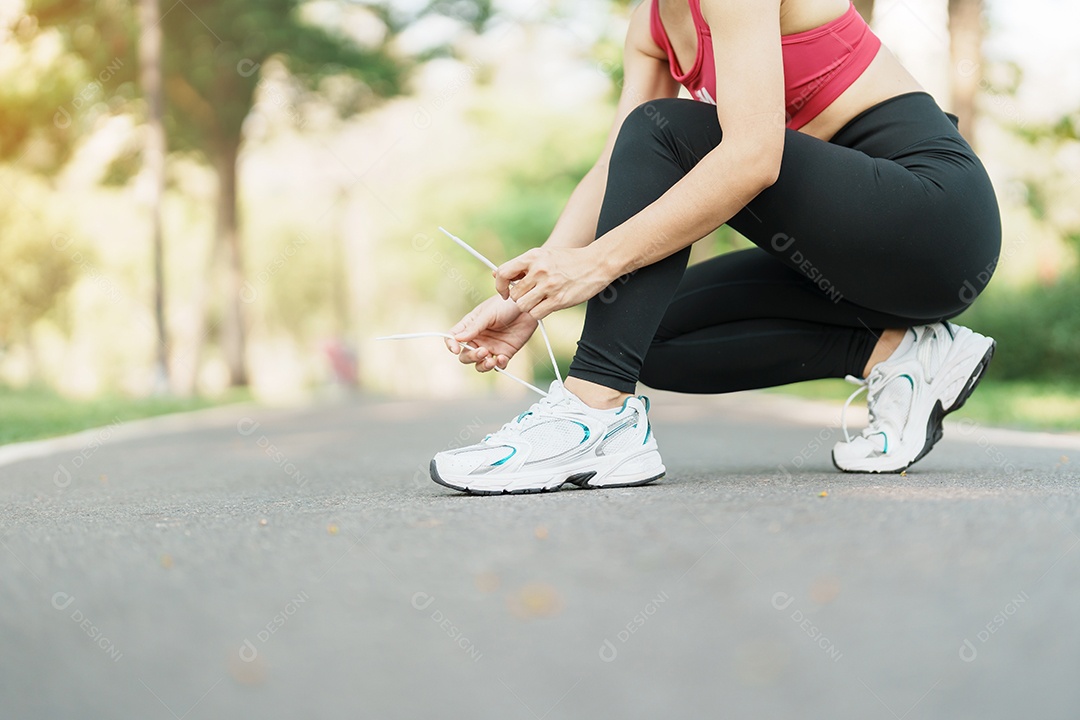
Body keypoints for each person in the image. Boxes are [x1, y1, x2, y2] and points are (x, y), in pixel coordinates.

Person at [430, 0, 1000, 495]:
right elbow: (618, 165)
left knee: (666, 127)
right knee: (648, 334)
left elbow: (752, 158)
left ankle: (593, 413)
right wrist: (534, 291)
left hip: (934, 220)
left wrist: (594, 265)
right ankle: (901, 354)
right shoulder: (649, 26)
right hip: (854, 260)